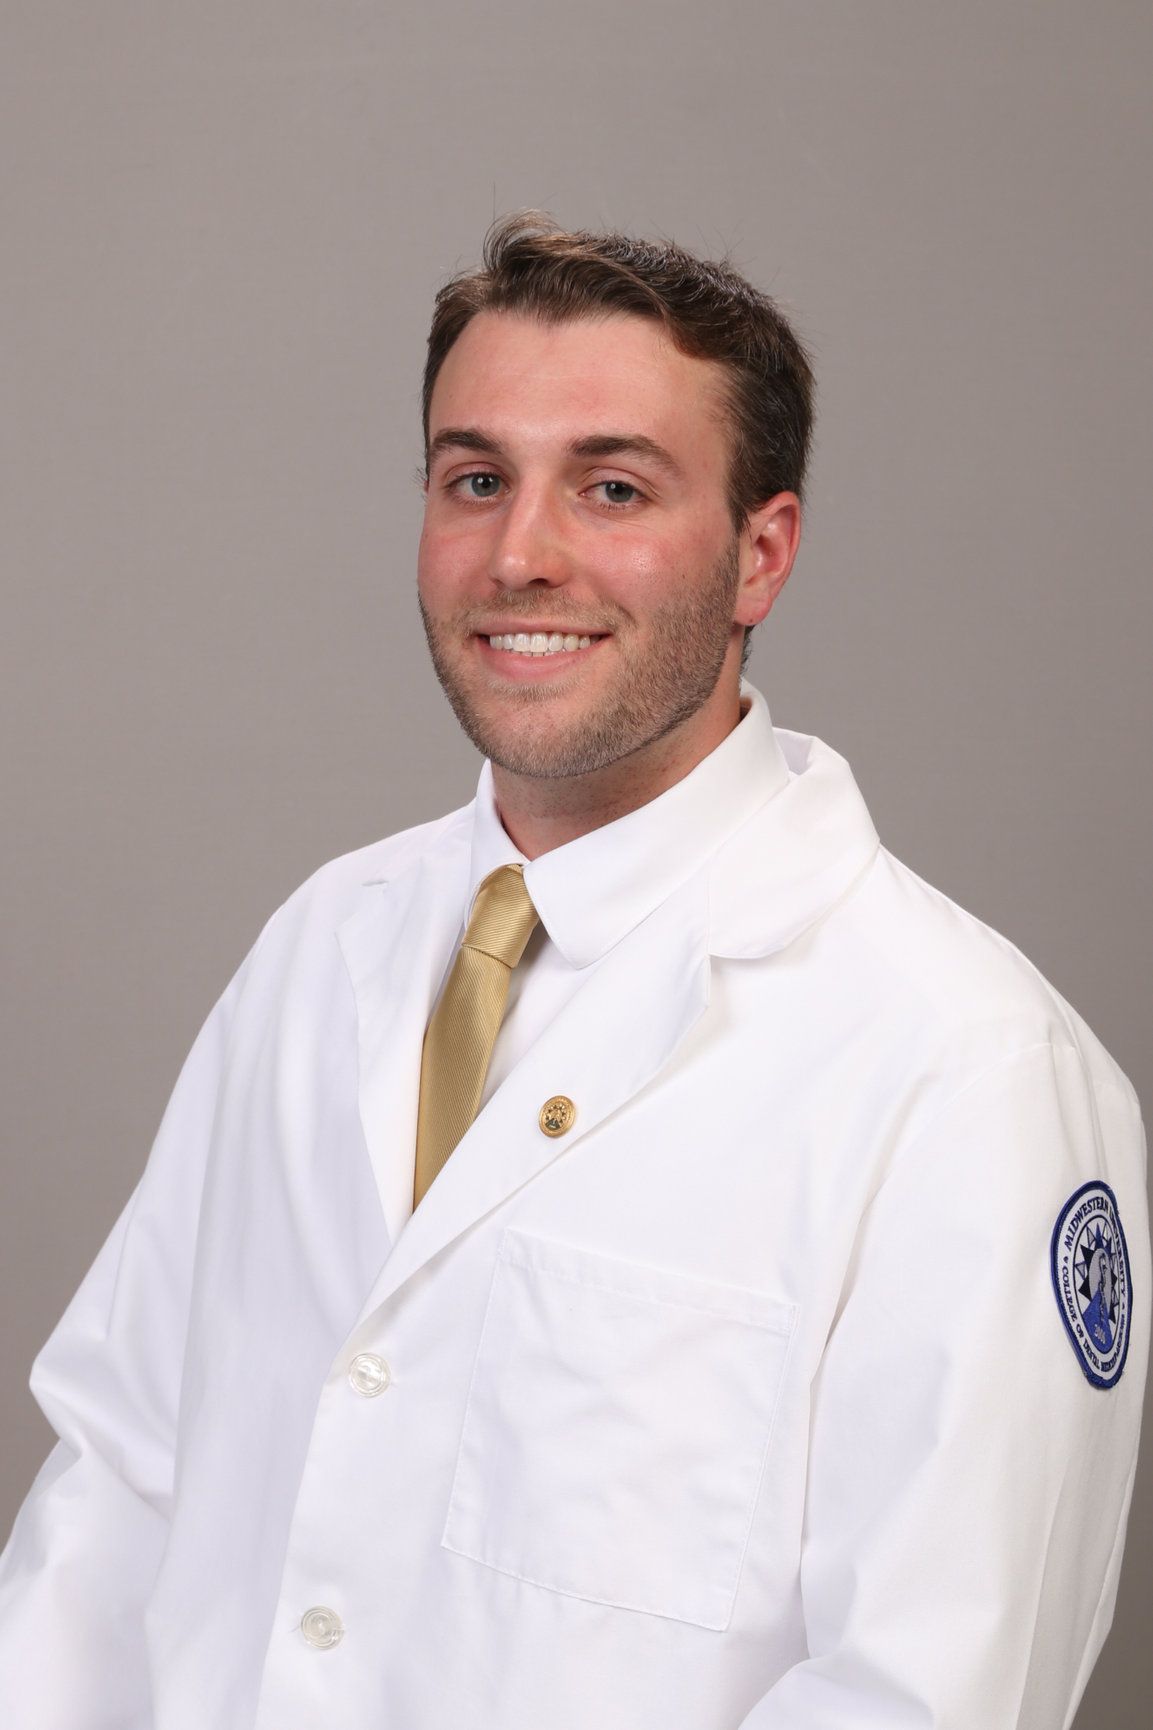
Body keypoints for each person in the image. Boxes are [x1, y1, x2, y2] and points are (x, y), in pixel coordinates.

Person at [0, 212, 1147, 1730]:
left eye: (611, 486)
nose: (520, 553)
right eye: (475, 478)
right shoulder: (320, 946)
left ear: (760, 552)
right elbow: (122, 1486)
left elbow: (923, 1693)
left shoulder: (965, 1068)